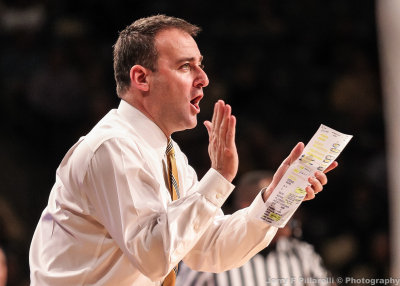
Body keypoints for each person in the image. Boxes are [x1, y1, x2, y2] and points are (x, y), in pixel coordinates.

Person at [29, 15, 336, 286]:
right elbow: (153, 257)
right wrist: (219, 176)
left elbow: (210, 250)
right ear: (141, 78)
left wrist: (277, 199)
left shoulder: (169, 154)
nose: (203, 78)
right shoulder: (112, 147)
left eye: (200, 66)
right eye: (186, 66)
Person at [177, 171, 335, 286]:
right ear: (249, 207)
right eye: (276, 199)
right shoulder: (204, 255)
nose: (287, 209)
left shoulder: (302, 253)